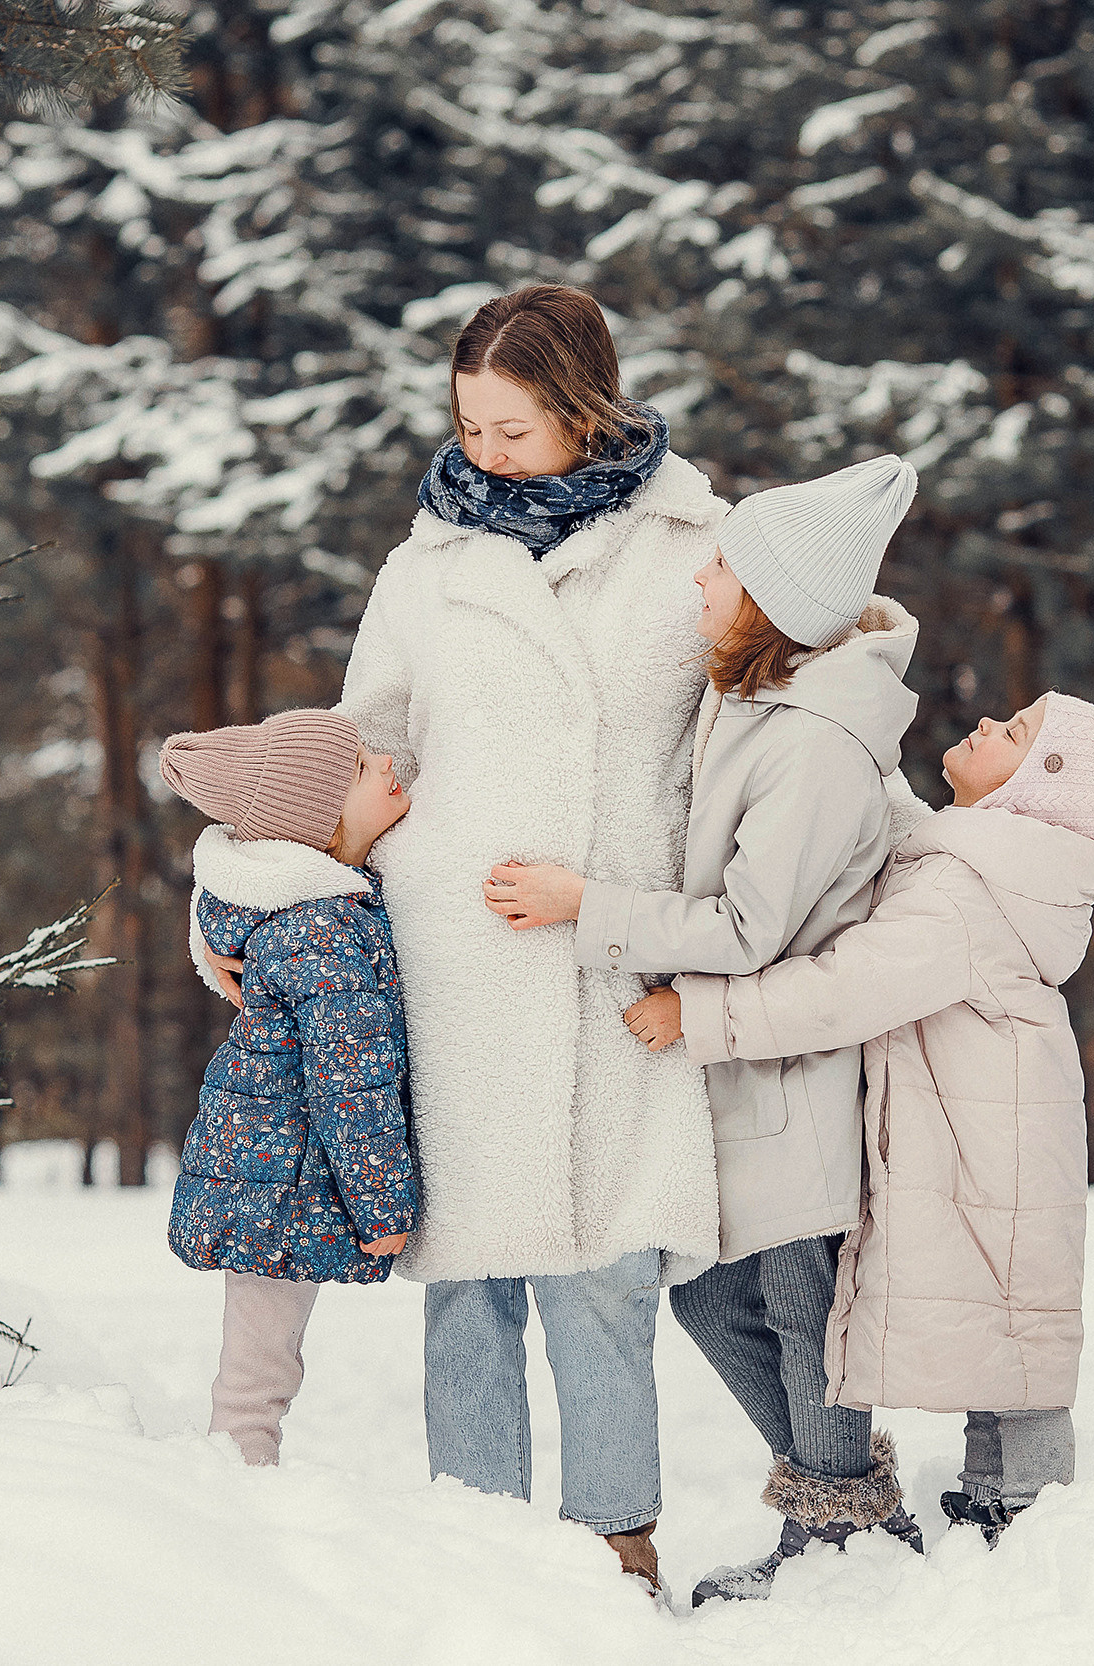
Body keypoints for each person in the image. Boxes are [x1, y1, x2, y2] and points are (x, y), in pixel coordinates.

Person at [225, 284, 728, 1596]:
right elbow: (349, 756)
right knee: (472, 1286)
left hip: (617, 946)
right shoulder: (430, 566)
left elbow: (769, 723)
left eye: (514, 428)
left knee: (607, 1275)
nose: (485, 452)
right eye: (469, 425)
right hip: (455, 957)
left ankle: (619, 1546)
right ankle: (482, 1558)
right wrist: (236, 885)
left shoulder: (699, 546)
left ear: (584, 410)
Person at [483, 456, 933, 1606]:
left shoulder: (814, 740)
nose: (700, 576)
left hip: (790, 1072)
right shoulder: (762, 698)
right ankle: (839, 1507)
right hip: (742, 1073)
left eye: (724, 565)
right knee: (712, 1293)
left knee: (795, 1297)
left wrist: (588, 906)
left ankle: (839, 1529)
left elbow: (746, 925)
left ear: (777, 600)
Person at [627, 688, 1094, 1545]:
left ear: (1034, 793)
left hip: (985, 1149)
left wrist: (706, 1015)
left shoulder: (965, 893)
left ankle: (1023, 1516)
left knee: (1008, 1325)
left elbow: (846, 990)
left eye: (1012, 734)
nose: (985, 725)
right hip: (990, 1141)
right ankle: (990, 1500)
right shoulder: (981, 865)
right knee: (1008, 1324)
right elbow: (902, 824)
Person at [159, 708, 416, 1467]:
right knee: (261, 1370)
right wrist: (382, 1207)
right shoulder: (321, 931)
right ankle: (235, 1494)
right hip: (281, 1180)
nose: (390, 765)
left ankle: (237, 1480)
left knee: (261, 1361)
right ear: (322, 820)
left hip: (267, 1169)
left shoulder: (297, 906)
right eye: (368, 767)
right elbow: (350, 1082)